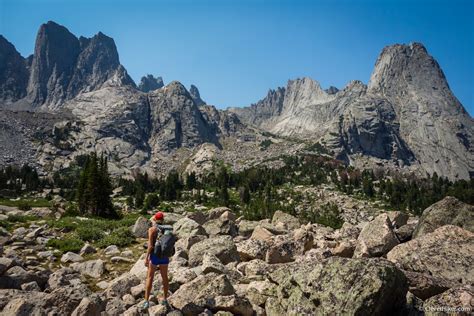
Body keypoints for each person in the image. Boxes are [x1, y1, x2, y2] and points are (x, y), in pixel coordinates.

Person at [142, 211, 173, 309]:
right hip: (164, 257)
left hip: (155, 256)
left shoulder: (152, 229)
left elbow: (150, 246)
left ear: (155, 219)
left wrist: (146, 258)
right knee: (165, 278)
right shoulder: (168, 229)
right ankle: (165, 299)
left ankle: (146, 302)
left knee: (150, 277)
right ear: (163, 219)